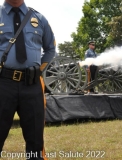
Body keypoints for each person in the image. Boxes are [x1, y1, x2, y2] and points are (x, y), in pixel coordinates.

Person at [0, 0, 56, 159]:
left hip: (32, 85)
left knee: (35, 139)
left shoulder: (39, 18)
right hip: (2, 83)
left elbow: (51, 49)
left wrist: (39, 70)